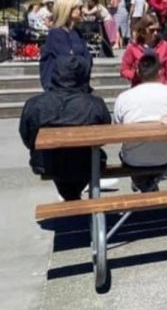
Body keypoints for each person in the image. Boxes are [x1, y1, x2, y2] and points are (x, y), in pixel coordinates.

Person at [20, 54, 111, 201]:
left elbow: (27, 136)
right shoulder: (94, 104)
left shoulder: (35, 104)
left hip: (47, 163)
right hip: (86, 162)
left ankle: (70, 197)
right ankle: (74, 197)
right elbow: (104, 136)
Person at [114, 55, 167, 191]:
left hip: (134, 159)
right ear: (160, 72)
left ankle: (143, 183)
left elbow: (118, 126)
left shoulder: (123, 98)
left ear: (138, 73)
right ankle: (148, 184)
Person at [39, 0, 91, 91]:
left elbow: (87, 58)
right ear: (68, 10)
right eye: (78, 8)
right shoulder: (56, 34)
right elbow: (69, 61)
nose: (82, 11)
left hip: (79, 86)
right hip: (60, 89)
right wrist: (83, 61)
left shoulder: (77, 32)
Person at [121, 15, 167, 87]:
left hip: (160, 88)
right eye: (152, 30)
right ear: (143, 30)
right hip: (140, 88)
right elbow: (124, 70)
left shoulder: (165, 46)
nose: (156, 33)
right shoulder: (132, 47)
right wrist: (135, 75)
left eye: (158, 30)